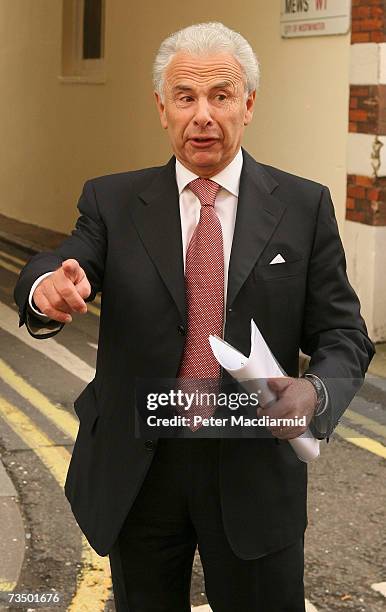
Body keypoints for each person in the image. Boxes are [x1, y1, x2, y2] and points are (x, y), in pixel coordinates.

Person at [14, 22, 374, 612]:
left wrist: (316, 394)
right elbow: (62, 263)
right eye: (185, 97)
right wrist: (46, 287)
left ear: (249, 105)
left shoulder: (303, 207)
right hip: (142, 468)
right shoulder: (114, 201)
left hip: (254, 467)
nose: (202, 115)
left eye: (220, 96)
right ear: (162, 108)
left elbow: (343, 332)